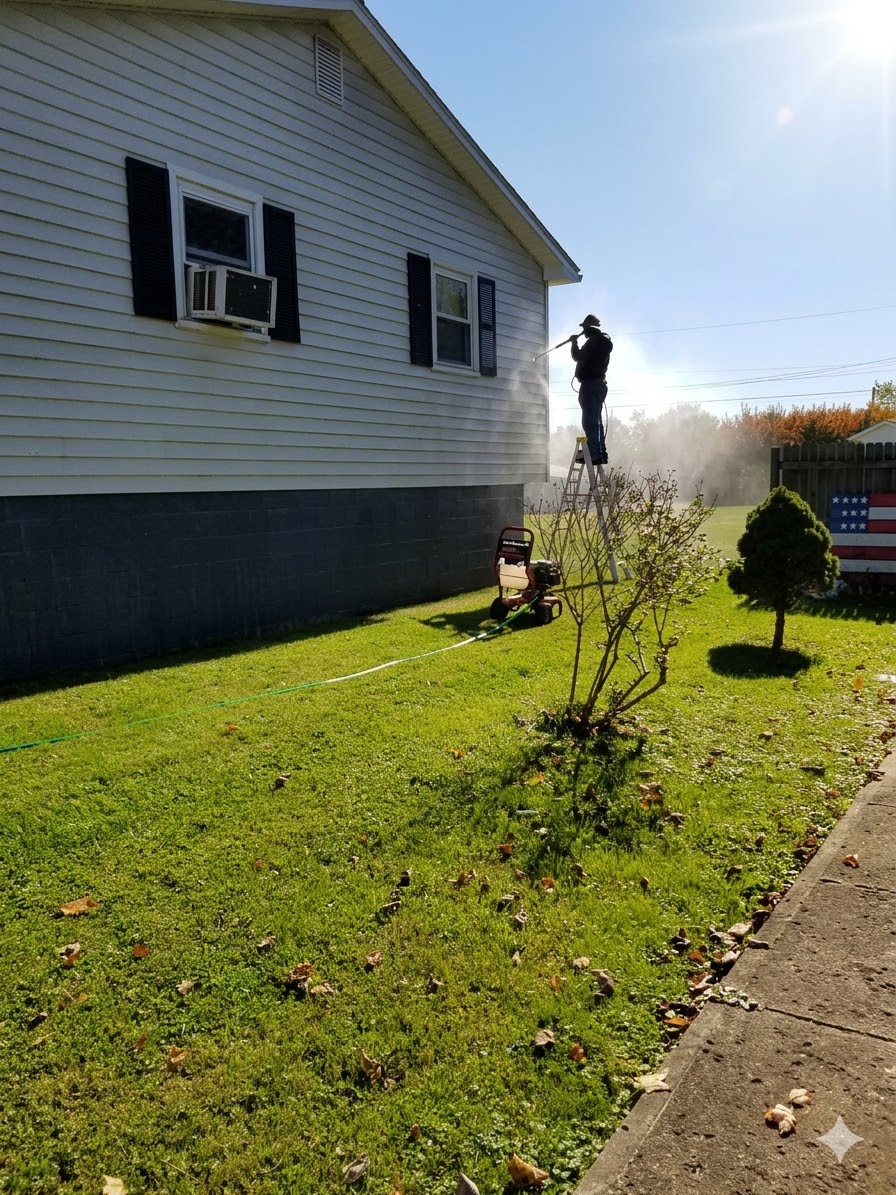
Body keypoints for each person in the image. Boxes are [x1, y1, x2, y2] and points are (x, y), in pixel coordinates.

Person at [570, 314, 613, 464]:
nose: (584, 331)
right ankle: (601, 452)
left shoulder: (592, 343)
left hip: (589, 385)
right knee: (596, 420)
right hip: (599, 385)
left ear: (590, 328)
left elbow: (577, 356)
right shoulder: (603, 343)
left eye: (585, 328)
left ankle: (593, 454)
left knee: (589, 421)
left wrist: (574, 342)